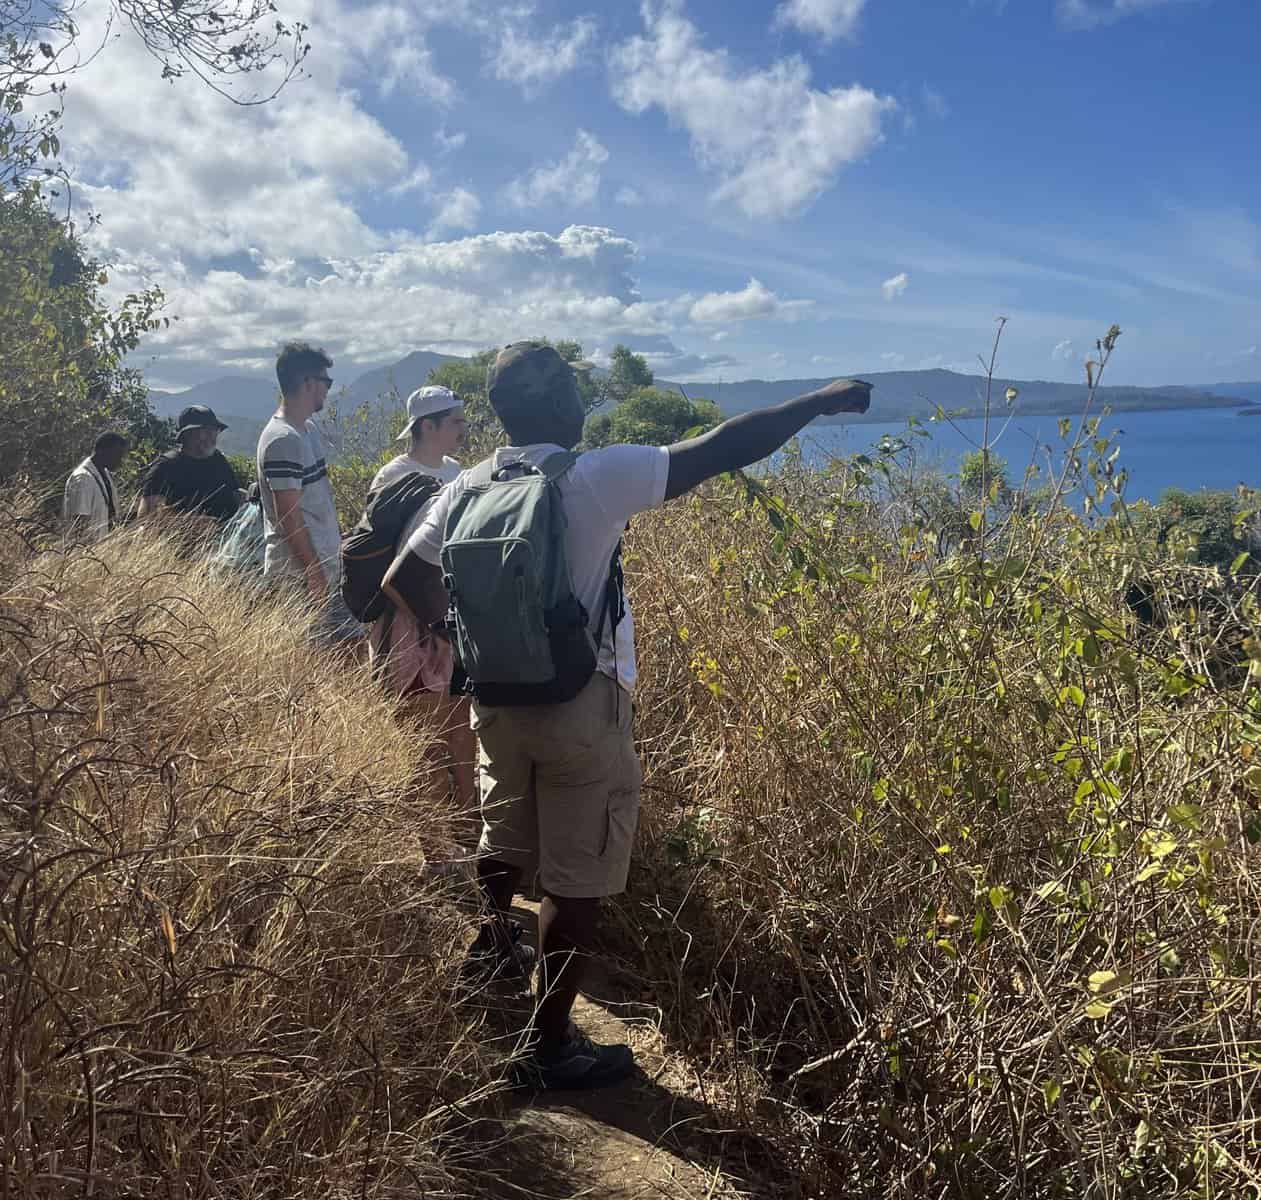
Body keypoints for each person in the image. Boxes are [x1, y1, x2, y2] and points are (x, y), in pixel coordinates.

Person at [382, 341, 872, 1090]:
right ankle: (548, 1051)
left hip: (495, 697)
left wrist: (461, 641)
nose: (584, 406)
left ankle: (489, 958)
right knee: (576, 881)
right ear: (558, 405)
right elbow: (725, 445)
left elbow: (402, 577)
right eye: (575, 394)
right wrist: (816, 399)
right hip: (583, 699)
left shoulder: (464, 486)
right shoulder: (596, 474)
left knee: (503, 832)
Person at [369, 386, 475, 838]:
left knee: (463, 731)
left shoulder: (457, 472)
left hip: (453, 622)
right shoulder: (392, 477)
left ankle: (471, 835)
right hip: (412, 624)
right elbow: (387, 561)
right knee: (424, 736)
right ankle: (436, 846)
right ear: (427, 426)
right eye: (455, 421)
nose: (462, 429)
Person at [257, 342, 360, 648]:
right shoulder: (282, 439)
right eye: (325, 382)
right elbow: (289, 514)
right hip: (300, 574)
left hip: (326, 567)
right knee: (312, 663)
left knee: (351, 650)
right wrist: (313, 571)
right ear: (308, 383)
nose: (327, 389)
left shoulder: (306, 430)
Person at [138, 405, 245, 524]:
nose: (211, 436)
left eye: (214, 430)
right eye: (205, 431)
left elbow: (235, 492)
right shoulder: (166, 466)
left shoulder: (218, 460)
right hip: (181, 541)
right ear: (187, 434)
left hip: (228, 537)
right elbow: (148, 514)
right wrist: (192, 523)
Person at [63, 430, 129, 543]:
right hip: (86, 552)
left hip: (103, 549)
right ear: (102, 451)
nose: (120, 461)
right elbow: (80, 522)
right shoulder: (83, 478)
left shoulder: (105, 474)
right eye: (117, 455)